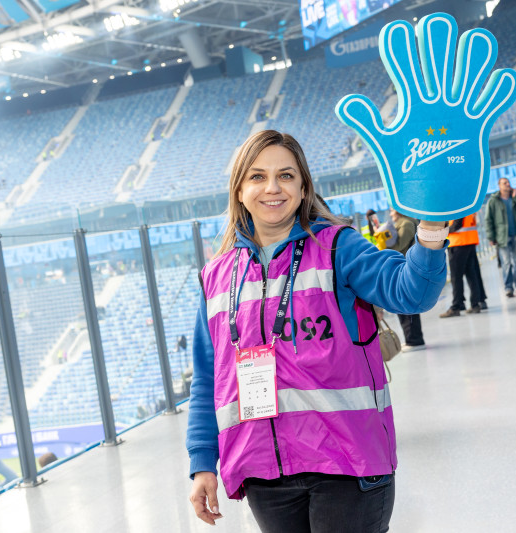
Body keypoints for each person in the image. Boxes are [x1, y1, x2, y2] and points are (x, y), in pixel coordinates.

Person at [186, 130, 449, 532]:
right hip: (263, 472)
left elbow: (411, 292)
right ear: (239, 190)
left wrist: (430, 228)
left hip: (347, 465)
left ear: (304, 187)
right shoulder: (215, 278)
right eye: (257, 177)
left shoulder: (338, 248)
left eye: (286, 175)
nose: (272, 188)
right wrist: (202, 462)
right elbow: (208, 380)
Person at [388, 208, 428, 352]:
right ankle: (411, 338)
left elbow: (399, 246)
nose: (391, 213)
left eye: (393, 210)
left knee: (406, 304)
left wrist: (385, 241)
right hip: (401, 268)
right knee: (402, 303)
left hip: (405, 268)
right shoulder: (401, 223)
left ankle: (414, 340)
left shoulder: (406, 224)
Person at [484, 177, 516, 297]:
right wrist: (491, 237)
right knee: (506, 263)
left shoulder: (514, 198)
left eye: (508, 183)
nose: (508, 185)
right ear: (499, 185)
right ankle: (508, 288)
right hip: (502, 237)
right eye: (505, 183)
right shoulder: (493, 201)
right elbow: (488, 220)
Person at [438, 214, 488, 317]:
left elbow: (457, 224)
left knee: (456, 277)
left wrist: (441, 233)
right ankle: (475, 304)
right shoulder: (466, 203)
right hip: (468, 241)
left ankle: (456, 306)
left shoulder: (458, 204)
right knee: (471, 274)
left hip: (458, 243)